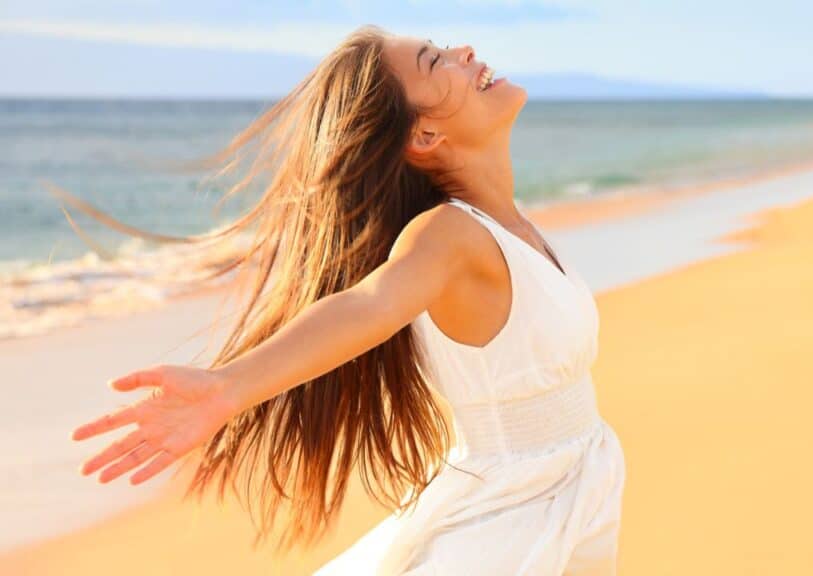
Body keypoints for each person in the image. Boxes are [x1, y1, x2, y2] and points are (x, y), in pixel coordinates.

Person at [68, 24, 626, 575]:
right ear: (425, 136)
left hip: (572, 488)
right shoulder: (448, 236)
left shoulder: (513, 227)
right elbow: (370, 304)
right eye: (437, 61)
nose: (465, 50)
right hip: (507, 520)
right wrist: (229, 387)